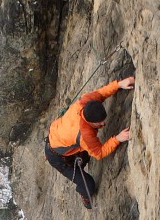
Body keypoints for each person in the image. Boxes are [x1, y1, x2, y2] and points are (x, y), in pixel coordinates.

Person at [46, 77, 135, 208]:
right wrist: (117, 139)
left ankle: (78, 157)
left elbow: (100, 94)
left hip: (59, 138)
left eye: (103, 120)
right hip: (57, 157)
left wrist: (119, 84)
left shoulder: (87, 101)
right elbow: (99, 153)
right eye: (99, 123)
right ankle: (86, 200)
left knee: (85, 156)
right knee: (88, 185)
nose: (103, 124)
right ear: (89, 122)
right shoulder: (85, 134)